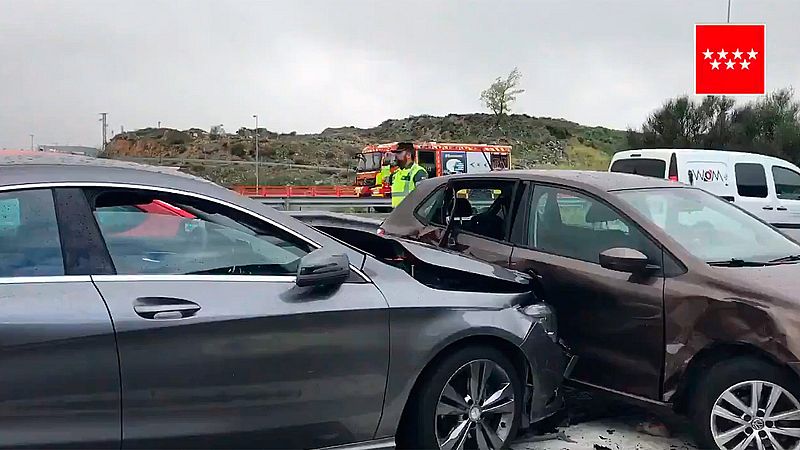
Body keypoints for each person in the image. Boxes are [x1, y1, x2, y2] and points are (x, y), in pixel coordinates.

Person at [391, 142, 428, 208]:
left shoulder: (418, 172)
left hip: (410, 211)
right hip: (396, 212)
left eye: (399, 153)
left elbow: (423, 195)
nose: (396, 156)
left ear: (408, 155)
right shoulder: (396, 173)